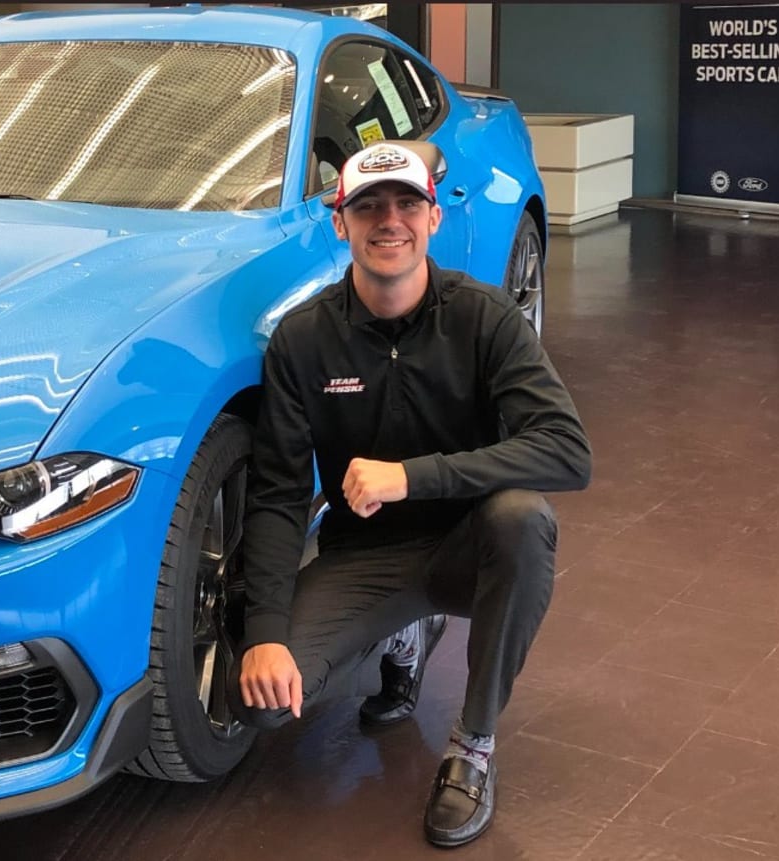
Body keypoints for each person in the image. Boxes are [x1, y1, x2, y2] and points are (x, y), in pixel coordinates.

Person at [236, 141, 591, 847]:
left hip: (471, 545)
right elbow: (276, 497)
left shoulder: (483, 318)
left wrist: (413, 476)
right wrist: (265, 632)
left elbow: (567, 450)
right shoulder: (303, 343)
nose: (387, 219)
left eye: (405, 203)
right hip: (364, 556)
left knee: (525, 518)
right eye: (368, 205)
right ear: (341, 223)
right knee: (267, 708)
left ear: (432, 216)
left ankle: (474, 746)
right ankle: (402, 632)